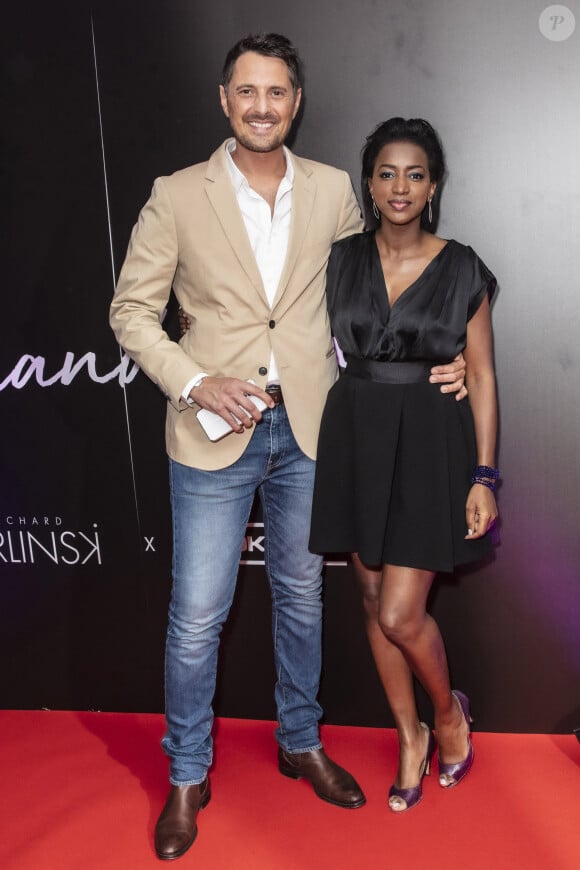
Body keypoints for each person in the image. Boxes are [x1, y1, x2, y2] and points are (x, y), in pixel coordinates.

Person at [110, 35, 467, 859]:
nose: (262, 106)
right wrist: (196, 380)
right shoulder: (175, 194)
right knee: (198, 617)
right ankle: (187, 774)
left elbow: (384, 277)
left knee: (303, 599)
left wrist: (446, 354)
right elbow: (132, 312)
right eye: (247, 92)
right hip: (211, 434)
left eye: (276, 92)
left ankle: (299, 741)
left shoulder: (337, 189)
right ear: (224, 99)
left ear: (295, 102)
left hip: (312, 428)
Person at [309, 117, 499, 813]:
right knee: (368, 601)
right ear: (368, 182)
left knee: (398, 611)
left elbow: (480, 374)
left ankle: (448, 714)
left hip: (428, 446)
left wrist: (484, 476)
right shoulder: (339, 260)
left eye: (414, 174)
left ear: (433, 185)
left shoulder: (462, 267)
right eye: (387, 172)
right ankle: (409, 734)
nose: (400, 186)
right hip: (357, 436)